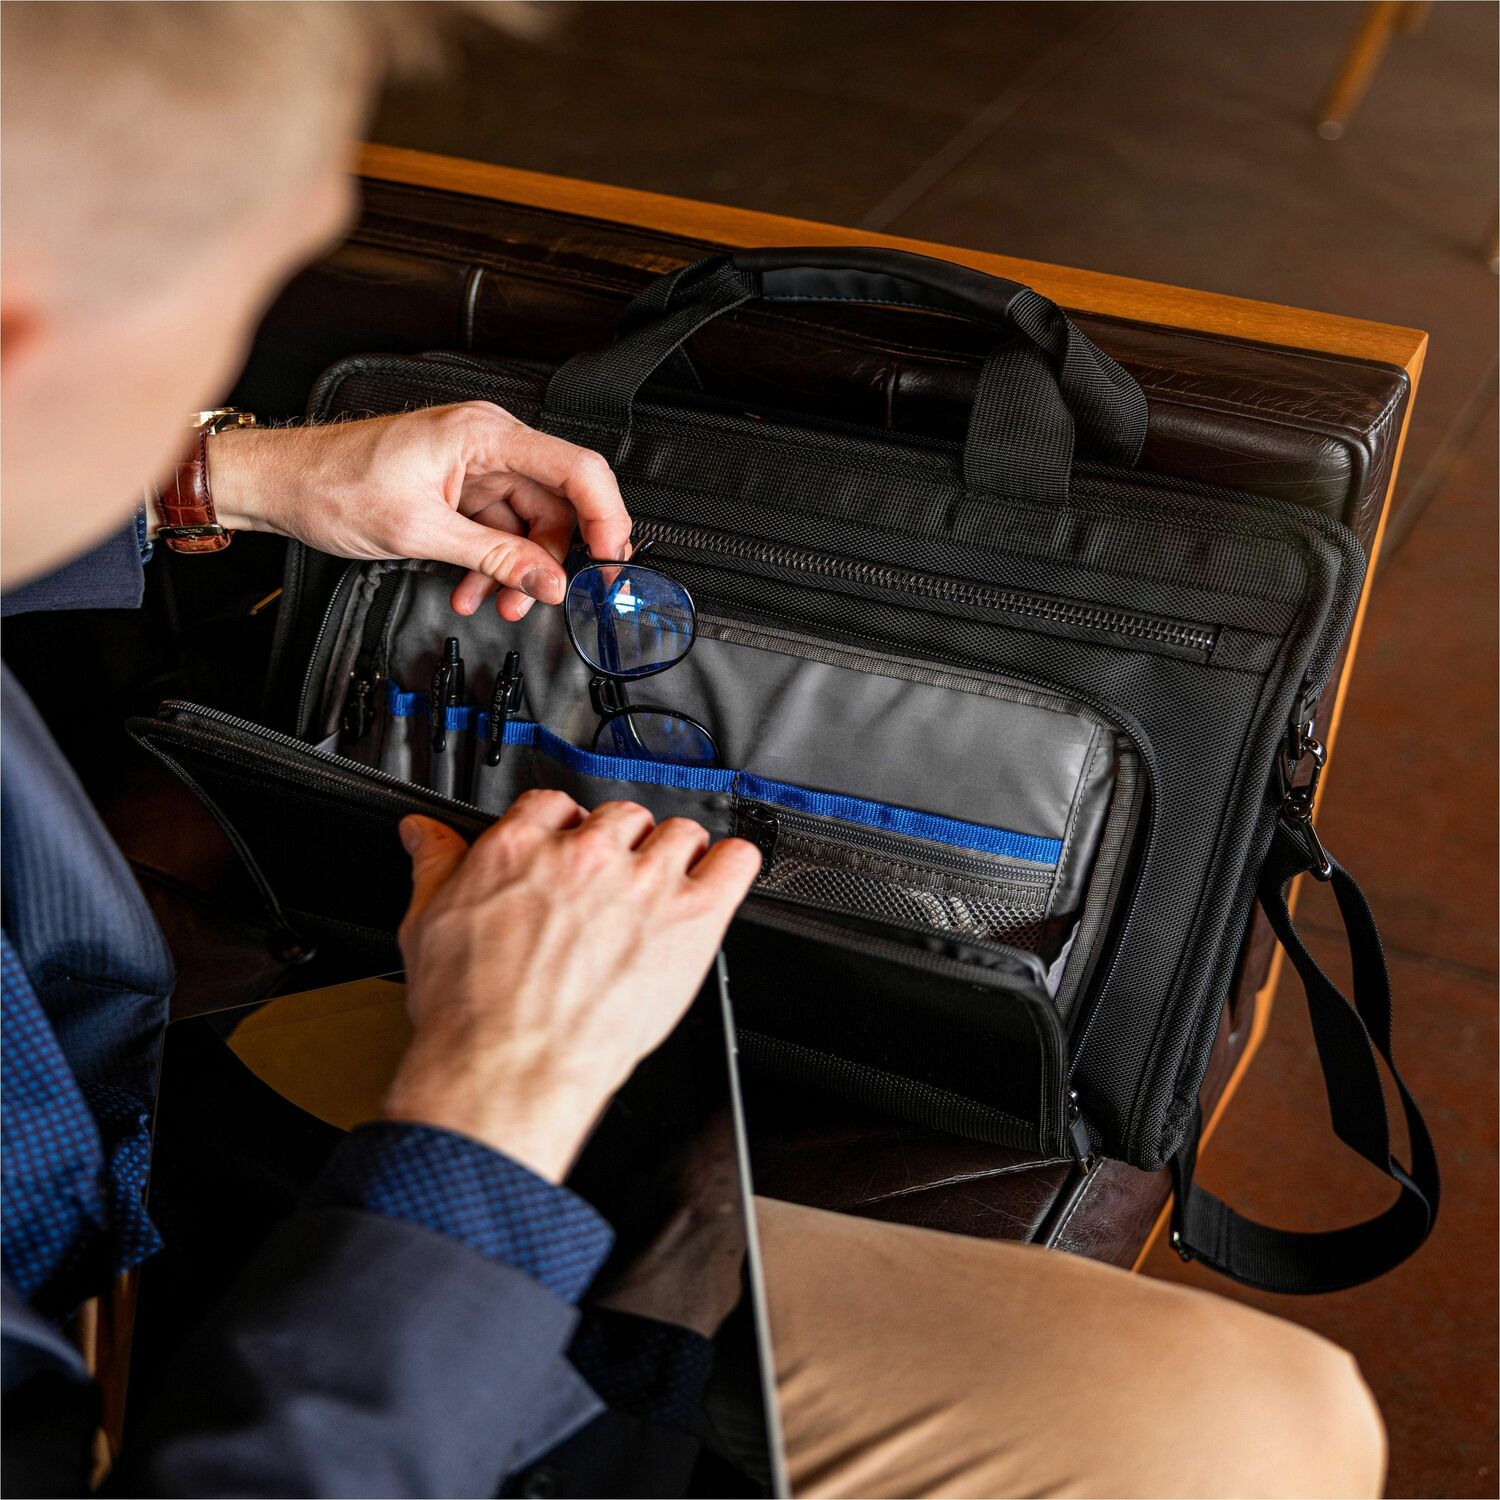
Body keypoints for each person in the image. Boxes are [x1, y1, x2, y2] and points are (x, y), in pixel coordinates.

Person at [0, 5, 1386, 1496]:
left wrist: (227, 476)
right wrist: (497, 1093)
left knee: (1263, 1414)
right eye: (241, 291)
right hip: (281, 1340)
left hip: (111, 1136)